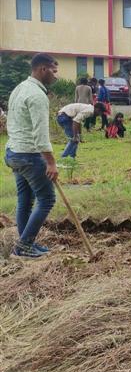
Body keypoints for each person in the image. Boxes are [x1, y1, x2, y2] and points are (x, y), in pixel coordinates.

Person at [4, 53, 59, 258]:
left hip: (14, 152)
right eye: (54, 71)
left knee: (25, 200)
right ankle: (24, 246)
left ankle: (25, 243)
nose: (56, 76)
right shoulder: (37, 96)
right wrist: (51, 163)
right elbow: (41, 135)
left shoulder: (20, 88)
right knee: (46, 199)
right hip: (28, 155)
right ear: (42, 69)